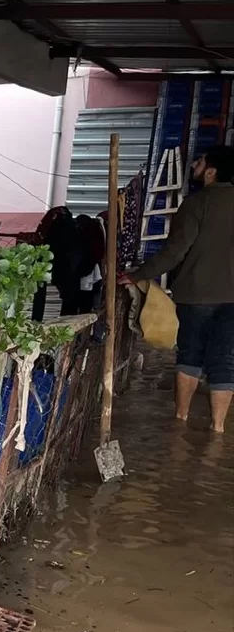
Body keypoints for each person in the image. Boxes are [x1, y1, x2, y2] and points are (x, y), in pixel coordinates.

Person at [120, 145, 234, 433]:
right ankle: (218, 429)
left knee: (190, 355)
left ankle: (181, 420)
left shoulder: (197, 203)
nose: (195, 165)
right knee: (224, 360)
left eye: (200, 161)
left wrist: (137, 275)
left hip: (197, 296)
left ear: (211, 171)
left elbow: (174, 253)